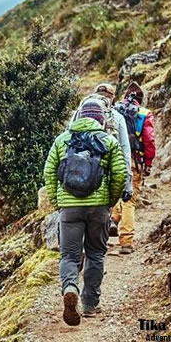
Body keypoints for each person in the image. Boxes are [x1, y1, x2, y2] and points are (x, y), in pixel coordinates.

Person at [44, 101, 127, 325]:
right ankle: (90, 304)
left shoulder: (62, 140)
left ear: (79, 117)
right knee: (96, 254)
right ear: (100, 119)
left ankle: (70, 288)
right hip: (98, 208)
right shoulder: (108, 141)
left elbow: (49, 172)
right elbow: (120, 173)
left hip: (69, 209)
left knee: (69, 256)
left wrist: (58, 201)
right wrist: (109, 201)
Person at [111, 82, 156, 254]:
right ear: (140, 99)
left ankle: (113, 220)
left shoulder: (114, 111)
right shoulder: (145, 114)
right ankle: (126, 242)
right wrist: (148, 163)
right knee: (129, 200)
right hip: (134, 161)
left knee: (114, 192)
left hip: (114, 158)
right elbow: (149, 140)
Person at [69, 82, 133, 203]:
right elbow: (125, 152)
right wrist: (127, 186)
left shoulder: (79, 113)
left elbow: (65, 141)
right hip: (102, 183)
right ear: (113, 98)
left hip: (75, 178)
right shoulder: (117, 117)